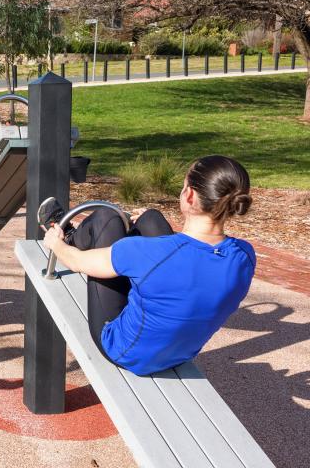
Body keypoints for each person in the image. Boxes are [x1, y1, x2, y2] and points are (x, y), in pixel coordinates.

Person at [41, 155, 256, 376]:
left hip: (126, 351)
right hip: (180, 353)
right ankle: (134, 227)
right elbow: (189, 262)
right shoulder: (244, 255)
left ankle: (69, 236)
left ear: (189, 195)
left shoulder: (145, 252)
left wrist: (56, 244)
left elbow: (77, 262)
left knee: (106, 219)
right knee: (151, 218)